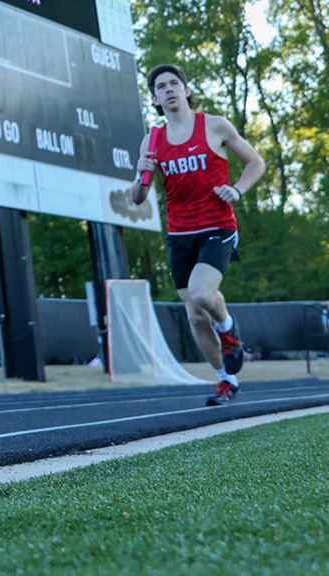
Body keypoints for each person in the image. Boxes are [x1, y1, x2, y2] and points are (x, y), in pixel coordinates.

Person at [130, 63, 265, 407]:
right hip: (180, 234)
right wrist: (140, 175)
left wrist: (237, 189)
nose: (169, 89)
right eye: (161, 87)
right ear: (155, 99)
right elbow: (139, 197)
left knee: (203, 295)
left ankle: (228, 326)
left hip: (217, 226)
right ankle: (226, 381)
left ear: (186, 90)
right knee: (195, 315)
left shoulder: (215, 126)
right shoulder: (153, 140)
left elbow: (256, 163)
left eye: (174, 83)